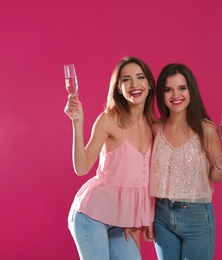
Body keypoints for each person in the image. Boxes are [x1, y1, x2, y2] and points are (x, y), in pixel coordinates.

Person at [64, 56, 156, 260]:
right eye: (126, 79)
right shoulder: (109, 120)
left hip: (122, 220)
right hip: (91, 215)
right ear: (118, 88)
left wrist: (141, 218)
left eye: (140, 77)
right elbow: (82, 167)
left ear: (149, 85)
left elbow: (145, 180)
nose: (134, 84)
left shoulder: (154, 126)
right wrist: (77, 122)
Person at [150, 63, 222, 260]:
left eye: (182, 88)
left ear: (191, 91)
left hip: (196, 216)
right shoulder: (156, 128)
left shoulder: (205, 129)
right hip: (162, 215)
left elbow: (215, 176)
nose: (175, 95)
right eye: (168, 90)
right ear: (161, 94)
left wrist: (220, 164)